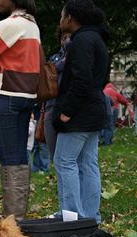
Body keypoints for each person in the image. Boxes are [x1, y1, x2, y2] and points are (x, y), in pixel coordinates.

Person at [0, 0, 40, 220]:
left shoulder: (7, 25)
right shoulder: (33, 25)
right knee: (20, 157)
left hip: (6, 96)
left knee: (9, 160)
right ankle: (18, 217)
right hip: (27, 97)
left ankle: (13, 222)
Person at [52, 0, 109, 224]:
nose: (60, 19)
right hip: (93, 109)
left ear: (71, 18)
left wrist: (66, 111)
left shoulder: (82, 40)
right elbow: (102, 78)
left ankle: (72, 217)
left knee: (64, 160)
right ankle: (90, 218)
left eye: (62, 15)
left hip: (79, 113)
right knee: (88, 163)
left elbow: (81, 79)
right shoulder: (98, 39)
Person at [44, 28, 71, 159]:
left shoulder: (79, 55)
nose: (66, 40)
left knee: (67, 156)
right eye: (63, 37)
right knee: (54, 152)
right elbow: (49, 71)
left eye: (69, 37)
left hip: (68, 106)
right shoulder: (54, 57)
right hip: (51, 105)